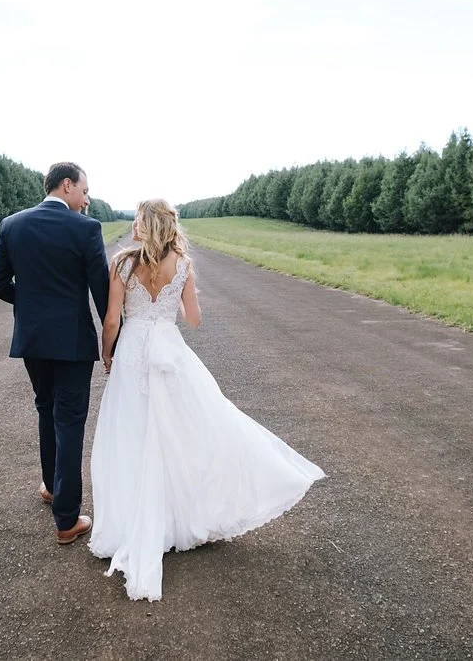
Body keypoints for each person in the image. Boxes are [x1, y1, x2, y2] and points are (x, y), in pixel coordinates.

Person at [88, 198, 324, 601]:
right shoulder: (182, 264)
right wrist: (173, 297)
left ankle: (139, 522)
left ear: (145, 224)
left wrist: (106, 353)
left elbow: (112, 320)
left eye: (138, 220)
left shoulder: (123, 263)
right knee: (184, 432)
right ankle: (180, 516)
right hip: (167, 347)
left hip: (132, 352)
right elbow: (194, 319)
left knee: (131, 433)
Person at [0, 161, 109, 545]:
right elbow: (102, 292)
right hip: (72, 342)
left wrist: (31, 306)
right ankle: (67, 520)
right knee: (69, 421)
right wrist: (114, 342)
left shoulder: (12, 224)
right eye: (84, 191)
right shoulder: (86, 229)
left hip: (33, 340)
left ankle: (54, 489)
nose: (86, 199)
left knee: (46, 408)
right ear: (67, 185)